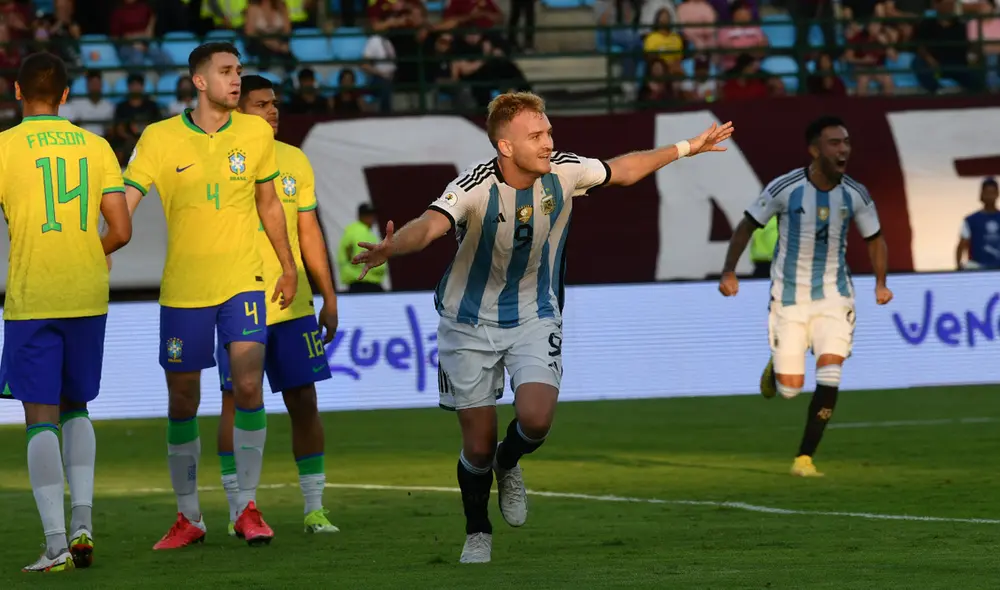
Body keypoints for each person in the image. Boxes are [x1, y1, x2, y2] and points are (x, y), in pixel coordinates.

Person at [351, 91, 733, 563]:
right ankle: (477, 530)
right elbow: (429, 226)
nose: (548, 142)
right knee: (477, 445)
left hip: (535, 313)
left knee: (535, 419)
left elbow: (624, 169)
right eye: (536, 135)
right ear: (505, 146)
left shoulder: (564, 171)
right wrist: (393, 247)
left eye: (548, 131)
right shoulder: (474, 185)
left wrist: (688, 147)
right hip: (467, 322)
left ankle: (508, 461)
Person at [122, 42, 298, 550]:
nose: (236, 79)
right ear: (199, 82)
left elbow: (269, 204)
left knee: (248, 386)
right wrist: (105, 244)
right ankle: (189, 516)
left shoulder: (254, 133)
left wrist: (287, 266)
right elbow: (127, 200)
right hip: (184, 290)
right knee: (184, 399)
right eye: (225, 71)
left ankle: (246, 508)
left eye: (238, 70)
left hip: (243, 283)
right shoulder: (159, 137)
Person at [0, 51, 131, 572]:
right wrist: (84, 255)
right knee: (77, 405)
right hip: (87, 294)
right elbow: (121, 229)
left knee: (40, 416)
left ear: (16, 91)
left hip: (33, 295)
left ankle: (56, 545)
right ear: (66, 95)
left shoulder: (5, 147)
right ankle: (82, 525)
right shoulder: (96, 146)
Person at [717, 116, 893, 478]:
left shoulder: (856, 193)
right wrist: (729, 271)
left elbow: (875, 239)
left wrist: (880, 283)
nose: (843, 149)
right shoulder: (786, 187)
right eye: (834, 143)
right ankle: (778, 367)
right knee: (790, 389)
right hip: (789, 299)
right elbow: (747, 225)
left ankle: (804, 458)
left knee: (831, 369)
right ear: (814, 150)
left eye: (846, 142)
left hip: (835, 297)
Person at [215, 74, 340, 536]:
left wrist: (329, 295)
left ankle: (314, 509)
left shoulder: (294, 159)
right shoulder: (219, 159)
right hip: (236, 299)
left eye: (275, 103)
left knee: (304, 401)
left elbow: (308, 232)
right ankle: (239, 509)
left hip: (293, 305)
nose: (273, 111)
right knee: (236, 400)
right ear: (238, 111)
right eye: (261, 104)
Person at [339, 203, 387, 293]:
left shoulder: (354, 231)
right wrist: (380, 267)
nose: (372, 218)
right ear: (360, 216)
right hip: (365, 283)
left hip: (358, 282)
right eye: (368, 215)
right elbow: (364, 259)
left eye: (372, 215)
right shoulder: (361, 232)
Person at [957, 177, 1000, 270]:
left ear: (997, 194)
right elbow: (961, 245)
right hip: (977, 269)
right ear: (981, 194)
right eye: (987, 193)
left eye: (992, 193)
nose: (990, 196)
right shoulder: (971, 220)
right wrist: (959, 269)